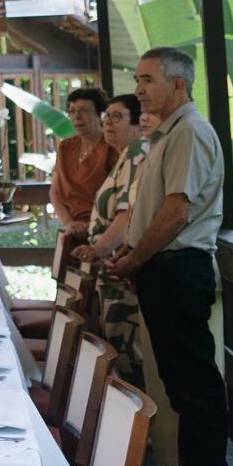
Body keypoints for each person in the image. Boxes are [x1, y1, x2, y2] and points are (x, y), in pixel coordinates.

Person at [109, 48, 233, 466]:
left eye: (148, 80)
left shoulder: (190, 132)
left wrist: (135, 258)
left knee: (196, 385)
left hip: (180, 269)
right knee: (181, 384)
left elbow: (177, 211)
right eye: (137, 79)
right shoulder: (168, 133)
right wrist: (134, 255)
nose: (139, 88)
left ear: (179, 85)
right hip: (164, 269)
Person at [73, 93, 149, 386]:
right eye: (106, 117)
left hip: (119, 266)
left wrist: (99, 247)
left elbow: (127, 212)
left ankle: (138, 427)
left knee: (127, 351)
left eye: (117, 117)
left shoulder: (136, 152)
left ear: (137, 123)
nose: (108, 123)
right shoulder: (124, 156)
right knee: (119, 347)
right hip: (110, 266)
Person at [50, 86, 115, 275]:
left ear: (100, 114)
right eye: (72, 111)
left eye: (84, 110)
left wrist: (91, 226)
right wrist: (69, 223)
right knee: (70, 297)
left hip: (104, 236)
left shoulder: (111, 147)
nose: (77, 116)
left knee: (95, 299)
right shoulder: (66, 147)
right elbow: (54, 192)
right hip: (71, 233)